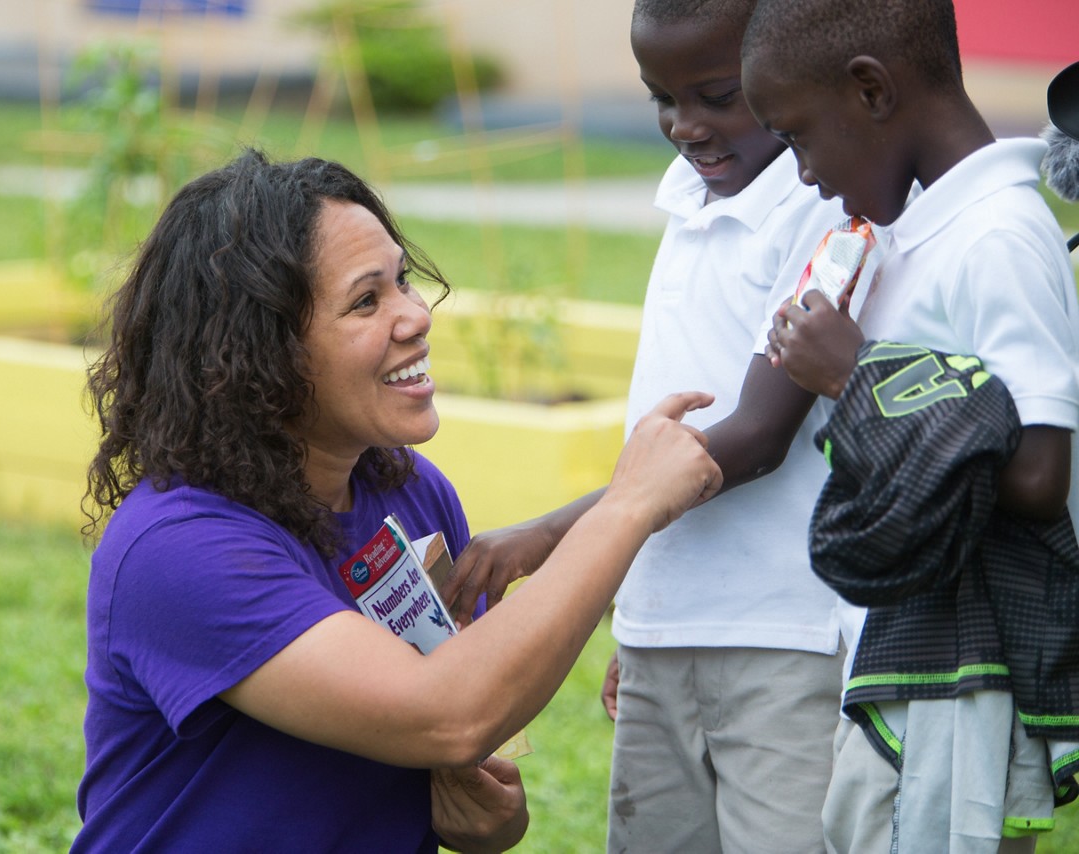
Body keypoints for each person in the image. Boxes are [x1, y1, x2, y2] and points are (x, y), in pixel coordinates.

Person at [70, 148, 722, 852]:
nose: (415, 316)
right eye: (365, 300)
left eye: (404, 282)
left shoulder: (408, 491)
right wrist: (625, 508)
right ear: (257, 352)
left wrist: (485, 817)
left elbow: (462, 744)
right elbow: (447, 714)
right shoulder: (176, 547)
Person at [440, 2, 856, 850]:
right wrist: (645, 612)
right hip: (668, 629)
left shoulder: (819, 211)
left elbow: (752, 437)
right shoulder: (689, 200)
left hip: (781, 638)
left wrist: (549, 536)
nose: (684, 125)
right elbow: (663, 439)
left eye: (714, 95)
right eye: (660, 97)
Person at [743, 0, 1079, 849]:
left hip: (966, 678)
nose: (806, 176)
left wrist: (853, 375)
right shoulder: (923, 233)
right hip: (910, 658)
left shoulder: (998, 237)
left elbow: (1041, 476)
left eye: (798, 138)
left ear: (870, 90)